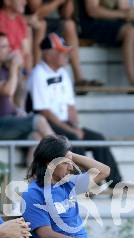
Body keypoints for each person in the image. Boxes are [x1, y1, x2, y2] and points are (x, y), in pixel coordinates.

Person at [27, 33, 122, 189]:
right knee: (72, 140)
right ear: (48, 54)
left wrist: (76, 126)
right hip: (48, 123)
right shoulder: (38, 73)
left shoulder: (64, 73)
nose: (66, 55)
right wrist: (72, 130)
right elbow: (44, 112)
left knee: (97, 138)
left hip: (66, 123)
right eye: (60, 52)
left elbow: (71, 106)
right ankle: (78, 187)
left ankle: (116, 184)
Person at [0, 32, 54, 165]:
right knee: (39, 120)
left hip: (10, 122)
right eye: (3, 47)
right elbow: (7, 91)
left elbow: (19, 97)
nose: (8, 50)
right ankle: (65, 154)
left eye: (7, 46)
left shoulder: (5, 69)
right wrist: (13, 67)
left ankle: (31, 178)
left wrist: (17, 70)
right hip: (2, 124)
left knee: (36, 137)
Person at [26, 0, 103, 88]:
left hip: (52, 23)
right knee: (41, 25)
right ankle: (37, 74)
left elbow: (66, 14)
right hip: (33, 22)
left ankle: (78, 78)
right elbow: (36, 13)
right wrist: (58, 2)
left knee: (69, 24)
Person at [78, 0, 134, 85]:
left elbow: (126, 9)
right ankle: (133, 79)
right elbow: (93, 11)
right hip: (93, 25)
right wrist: (123, 14)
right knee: (130, 31)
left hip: (115, 22)